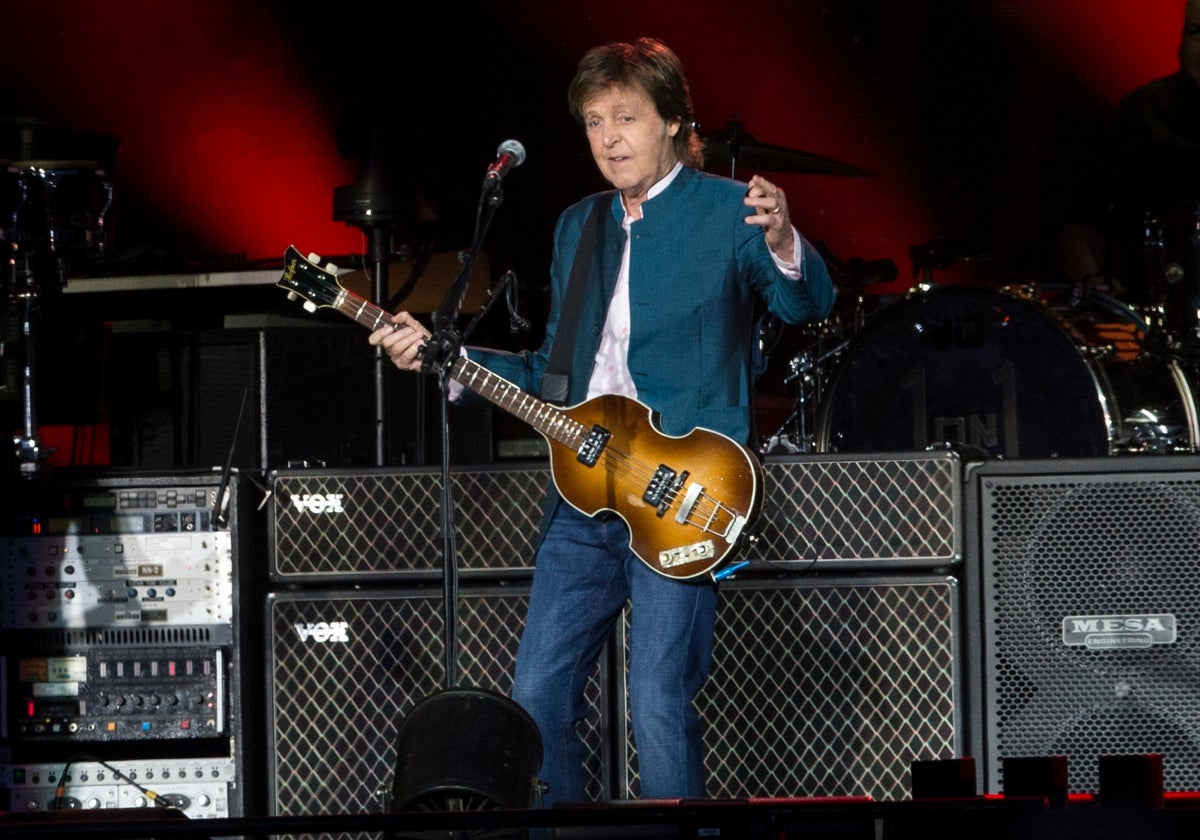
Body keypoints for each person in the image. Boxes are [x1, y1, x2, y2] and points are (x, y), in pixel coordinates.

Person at [370, 36, 834, 807]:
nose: (609, 137)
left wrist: (784, 239)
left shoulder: (728, 211)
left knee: (656, 702)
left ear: (675, 124)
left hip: (678, 493)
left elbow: (805, 304)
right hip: (581, 502)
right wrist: (447, 362)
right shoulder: (576, 226)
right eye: (593, 121)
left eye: (626, 117)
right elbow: (553, 375)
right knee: (538, 696)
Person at [1060, 0, 1200, 331]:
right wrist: (1095, 290)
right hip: (1153, 338)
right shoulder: (1144, 114)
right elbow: (1082, 221)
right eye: (1195, 33)